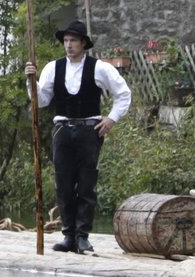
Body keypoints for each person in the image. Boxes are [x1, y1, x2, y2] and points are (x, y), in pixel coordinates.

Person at [24, 20, 130, 253]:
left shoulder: (99, 68)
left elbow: (123, 94)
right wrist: (31, 81)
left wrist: (111, 119)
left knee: (86, 184)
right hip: (62, 130)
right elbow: (41, 101)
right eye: (66, 41)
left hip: (89, 130)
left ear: (83, 43)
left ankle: (82, 236)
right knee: (63, 184)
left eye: (73, 40)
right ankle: (68, 235)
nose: (69, 45)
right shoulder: (53, 68)